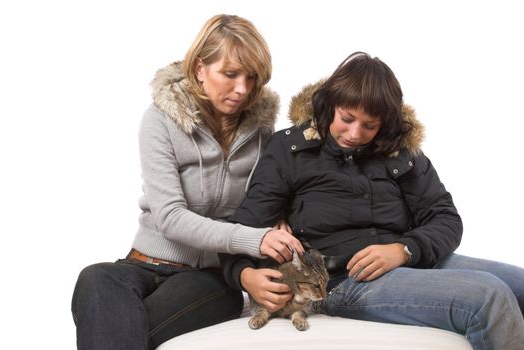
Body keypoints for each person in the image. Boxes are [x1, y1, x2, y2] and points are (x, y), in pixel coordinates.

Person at [220, 51, 524, 350]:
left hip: (412, 261)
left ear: (386, 123)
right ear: (330, 106)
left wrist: (404, 250)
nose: (354, 133)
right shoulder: (291, 148)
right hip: (346, 281)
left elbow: (445, 218)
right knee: (488, 296)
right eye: (346, 119)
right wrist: (245, 276)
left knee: (520, 284)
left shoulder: (400, 152)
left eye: (369, 125)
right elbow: (241, 227)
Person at [71, 14, 303, 350]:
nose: (243, 89)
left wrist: (278, 218)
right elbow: (169, 216)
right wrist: (255, 238)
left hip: (209, 278)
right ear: (199, 69)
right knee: (95, 277)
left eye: (252, 78)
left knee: (115, 325)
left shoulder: (263, 136)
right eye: (230, 74)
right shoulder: (159, 121)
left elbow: (269, 199)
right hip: (143, 262)